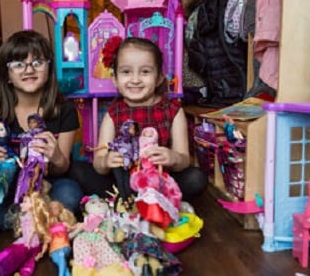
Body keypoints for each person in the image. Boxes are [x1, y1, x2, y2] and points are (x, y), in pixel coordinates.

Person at [0, 30, 83, 229]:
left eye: (37, 62)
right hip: (6, 189)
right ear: (7, 75)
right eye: (18, 64)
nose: (29, 69)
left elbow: (62, 168)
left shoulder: (64, 110)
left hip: (46, 187)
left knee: (70, 192)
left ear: (49, 69)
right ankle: (26, 223)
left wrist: (57, 157)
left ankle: (17, 221)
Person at [70, 36, 208, 207]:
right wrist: (106, 161)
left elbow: (184, 158)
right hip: (122, 181)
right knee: (77, 170)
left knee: (196, 178)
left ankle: (146, 201)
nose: (135, 79)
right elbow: (99, 161)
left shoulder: (173, 110)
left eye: (145, 72)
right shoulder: (113, 113)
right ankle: (128, 199)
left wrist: (173, 158)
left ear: (159, 78)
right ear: (115, 79)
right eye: (126, 72)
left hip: (160, 181)